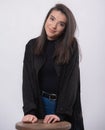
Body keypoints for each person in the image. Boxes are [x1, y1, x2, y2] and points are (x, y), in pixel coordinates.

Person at [21, 3, 84, 130]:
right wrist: (30, 111)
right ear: (47, 18)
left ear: (65, 29)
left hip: (63, 106)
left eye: (61, 24)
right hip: (39, 104)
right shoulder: (31, 46)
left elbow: (71, 82)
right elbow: (27, 80)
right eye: (52, 18)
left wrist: (61, 113)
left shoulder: (71, 47)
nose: (54, 26)